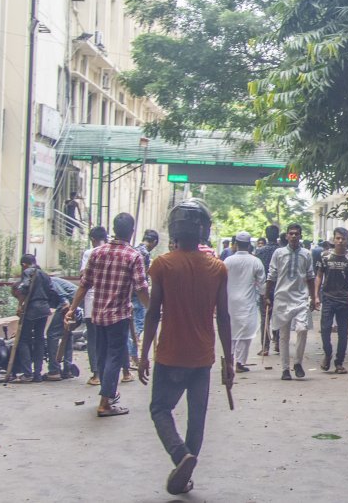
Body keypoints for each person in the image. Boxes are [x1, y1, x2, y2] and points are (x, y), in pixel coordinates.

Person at [139, 198, 233, 496]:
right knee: (197, 415)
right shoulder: (218, 269)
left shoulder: (162, 265)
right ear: (204, 230)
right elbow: (224, 317)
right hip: (202, 357)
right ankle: (187, 464)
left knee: (159, 408)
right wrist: (229, 360)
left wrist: (142, 355)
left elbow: (153, 313)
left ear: (174, 229)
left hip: (169, 355)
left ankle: (181, 457)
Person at [66, 212, 149, 417]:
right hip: (118, 316)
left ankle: (107, 394)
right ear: (131, 232)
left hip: (97, 314)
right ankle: (105, 402)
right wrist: (153, 310)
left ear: (113, 229)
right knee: (114, 356)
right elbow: (141, 288)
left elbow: (84, 284)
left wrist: (71, 308)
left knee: (103, 356)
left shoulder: (97, 252)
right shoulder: (133, 256)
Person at [267, 223, 315, 380]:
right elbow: (272, 275)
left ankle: (298, 363)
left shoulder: (306, 254)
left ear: (300, 236)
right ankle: (285, 369)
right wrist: (267, 296)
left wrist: (314, 297)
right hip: (282, 297)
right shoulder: (279, 253)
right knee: (284, 335)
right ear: (286, 236)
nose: (294, 236)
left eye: (296, 233)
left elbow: (310, 276)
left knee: (302, 329)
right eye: (291, 233)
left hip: (301, 297)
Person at [10, 254, 65, 382]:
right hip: (44, 309)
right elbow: (52, 292)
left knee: (24, 340)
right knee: (39, 340)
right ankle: (37, 373)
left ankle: (27, 373)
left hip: (32, 309)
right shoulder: (45, 275)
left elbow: (23, 288)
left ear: (24, 264)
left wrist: (20, 306)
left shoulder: (28, 271)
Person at [315, 228, 348, 374]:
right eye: (338, 238)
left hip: (344, 299)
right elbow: (319, 276)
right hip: (328, 297)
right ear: (333, 239)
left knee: (343, 332)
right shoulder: (325, 256)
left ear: (347, 240)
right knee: (325, 329)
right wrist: (316, 295)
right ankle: (327, 353)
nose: (340, 241)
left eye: (343, 238)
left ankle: (339, 362)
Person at [224, 231, 265, 373]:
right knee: (246, 332)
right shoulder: (255, 261)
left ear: (235, 244)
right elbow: (262, 284)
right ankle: (240, 362)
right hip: (248, 301)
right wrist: (265, 297)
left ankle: (229, 360)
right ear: (249, 245)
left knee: (231, 331)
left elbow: (221, 281)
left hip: (229, 300)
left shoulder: (227, 261)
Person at [80, 226, 108, 385]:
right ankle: (110, 372)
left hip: (92, 302)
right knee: (107, 338)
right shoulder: (113, 251)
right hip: (109, 302)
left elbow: (83, 276)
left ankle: (96, 374)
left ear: (92, 239)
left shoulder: (90, 253)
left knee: (93, 338)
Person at [131, 230, 160, 369]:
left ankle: (131, 354)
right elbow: (142, 278)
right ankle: (133, 354)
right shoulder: (145, 254)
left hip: (129, 292)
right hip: (138, 293)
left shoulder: (133, 249)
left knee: (132, 325)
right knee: (139, 323)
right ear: (154, 242)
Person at [45, 275, 81, 381]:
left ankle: (54, 370)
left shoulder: (48, 280)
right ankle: (68, 369)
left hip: (69, 302)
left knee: (52, 334)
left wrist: (67, 307)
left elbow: (63, 297)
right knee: (67, 333)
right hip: (75, 302)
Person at [255, 225, 282, 355]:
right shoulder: (282, 251)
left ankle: (265, 347)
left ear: (266, 235)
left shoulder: (260, 251)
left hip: (265, 287)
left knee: (265, 317)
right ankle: (278, 342)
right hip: (279, 287)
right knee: (279, 315)